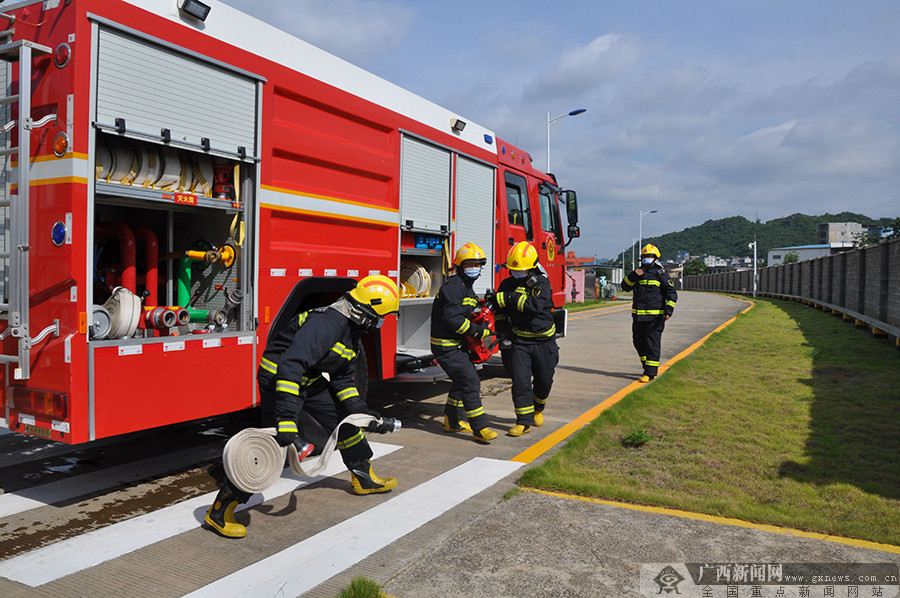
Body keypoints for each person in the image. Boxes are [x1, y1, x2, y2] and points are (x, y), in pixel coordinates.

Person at [203, 275, 401, 539]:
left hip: (307, 379)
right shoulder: (326, 324)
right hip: (280, 381)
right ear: (365, 311)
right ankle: (218, 512)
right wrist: (286, 419)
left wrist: (359, 410)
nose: (381, 322)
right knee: (268, 450)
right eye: (381, 316)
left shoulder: (350, 330)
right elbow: (290, 367)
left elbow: (343, 376)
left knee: (347, 421)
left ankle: (364, 478)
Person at [430, 242, 498, 443]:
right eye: (469, 264)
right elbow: (453, 320)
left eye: (477, 264)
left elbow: (467, 313)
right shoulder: (454, 287)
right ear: (460, 266)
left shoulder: (466, 287)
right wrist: (478, 332)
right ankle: (480, 428)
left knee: (462, 380)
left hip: (456, 345)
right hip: (446, 346)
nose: (474, 268)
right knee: (470, 381)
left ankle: (451, 421)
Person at [492, 241, 559, 436]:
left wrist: (510, 298)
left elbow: (534, 305)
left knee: (544, 381)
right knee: (520, 383)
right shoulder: (507, 283)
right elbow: (500, 310)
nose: (516, 273)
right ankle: (523, 421)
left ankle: (537, 409)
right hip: (519, 342)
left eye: (519, 270)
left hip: (543, 342)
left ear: (530, 268)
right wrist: (502, 329)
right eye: (513, 270)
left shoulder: (541, 283)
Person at [621, 244, 677, 383]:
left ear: (655, 258)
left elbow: (671, 293)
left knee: (652, 344)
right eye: (645, 257)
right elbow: (625, 286)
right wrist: (633, 275)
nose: (647, 259)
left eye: (649, 257)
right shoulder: (638, 273)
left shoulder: (661, 274)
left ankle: (650, 373)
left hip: (655, 317)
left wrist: (668, 310)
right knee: (638, 343)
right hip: (638, 316)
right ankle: (647, 366)